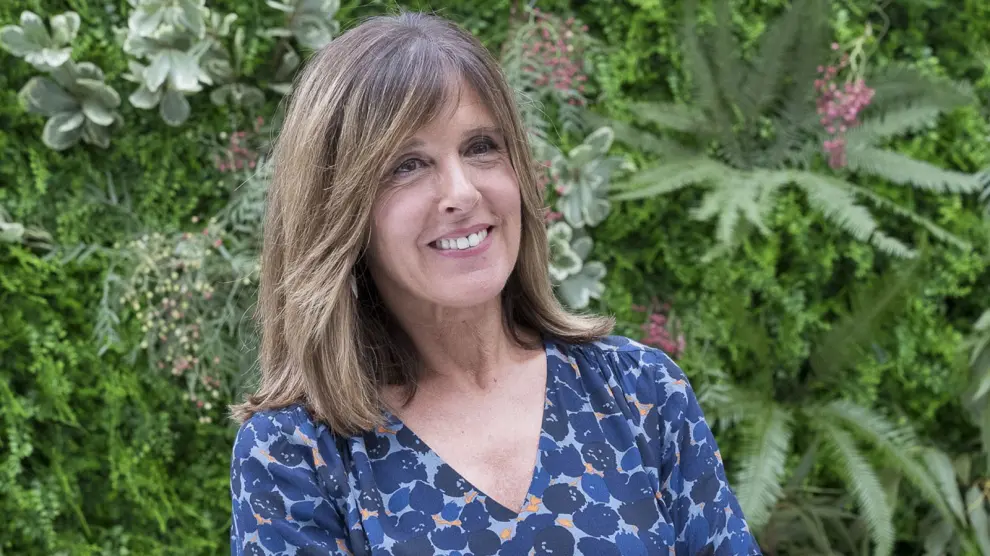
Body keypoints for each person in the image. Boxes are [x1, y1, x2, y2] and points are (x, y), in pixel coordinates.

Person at [229, 11, 761, 556]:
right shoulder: (295, 456)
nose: (461, 192)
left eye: (481, 146)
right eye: (407, 165)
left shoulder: (640, 393)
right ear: (337, 210)